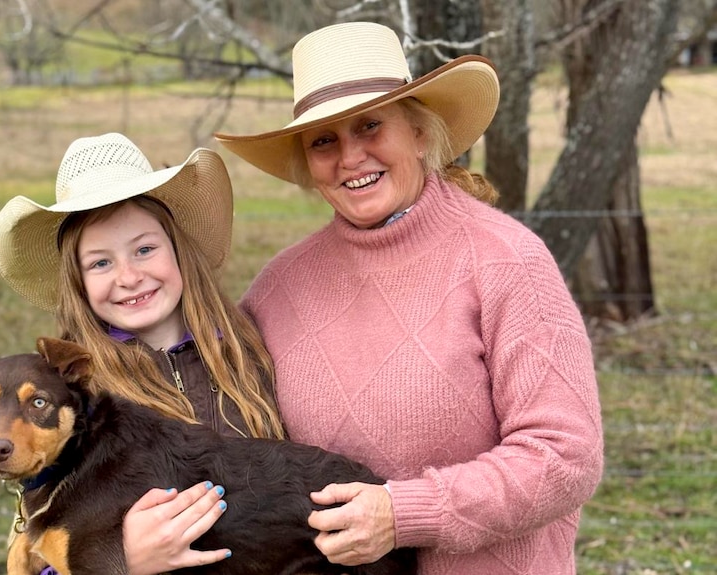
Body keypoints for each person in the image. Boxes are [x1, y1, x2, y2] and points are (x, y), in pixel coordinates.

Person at [213, 21, 604, 574]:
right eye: (324, 139)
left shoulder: (505, 261)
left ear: (420, 132)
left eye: (371, 126)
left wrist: (402, 513)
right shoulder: (281, 289)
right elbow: (214, 423)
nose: (351, 157)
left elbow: (565, 456)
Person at [0, 132, 284, 574]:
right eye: (101, 263)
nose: (128, 277)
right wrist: (125, 560)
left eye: (144, 249)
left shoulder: (247, 351)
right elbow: (46, 542)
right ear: (79, 283)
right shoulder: (80, 399)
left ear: (177, 251)